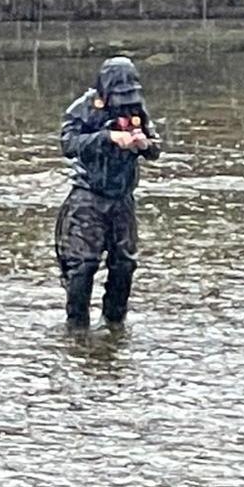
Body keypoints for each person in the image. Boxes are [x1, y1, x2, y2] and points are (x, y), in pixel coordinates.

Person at [56, 55, 162, 329]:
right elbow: (68, 144)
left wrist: (142, 143)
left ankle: (114, 325)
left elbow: (155, 149)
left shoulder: (136, 109)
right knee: (83, 265)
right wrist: (108, 138)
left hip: (122, 199)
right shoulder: (84, 108)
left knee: (124, 264)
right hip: (88, 197)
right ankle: (77, 328)